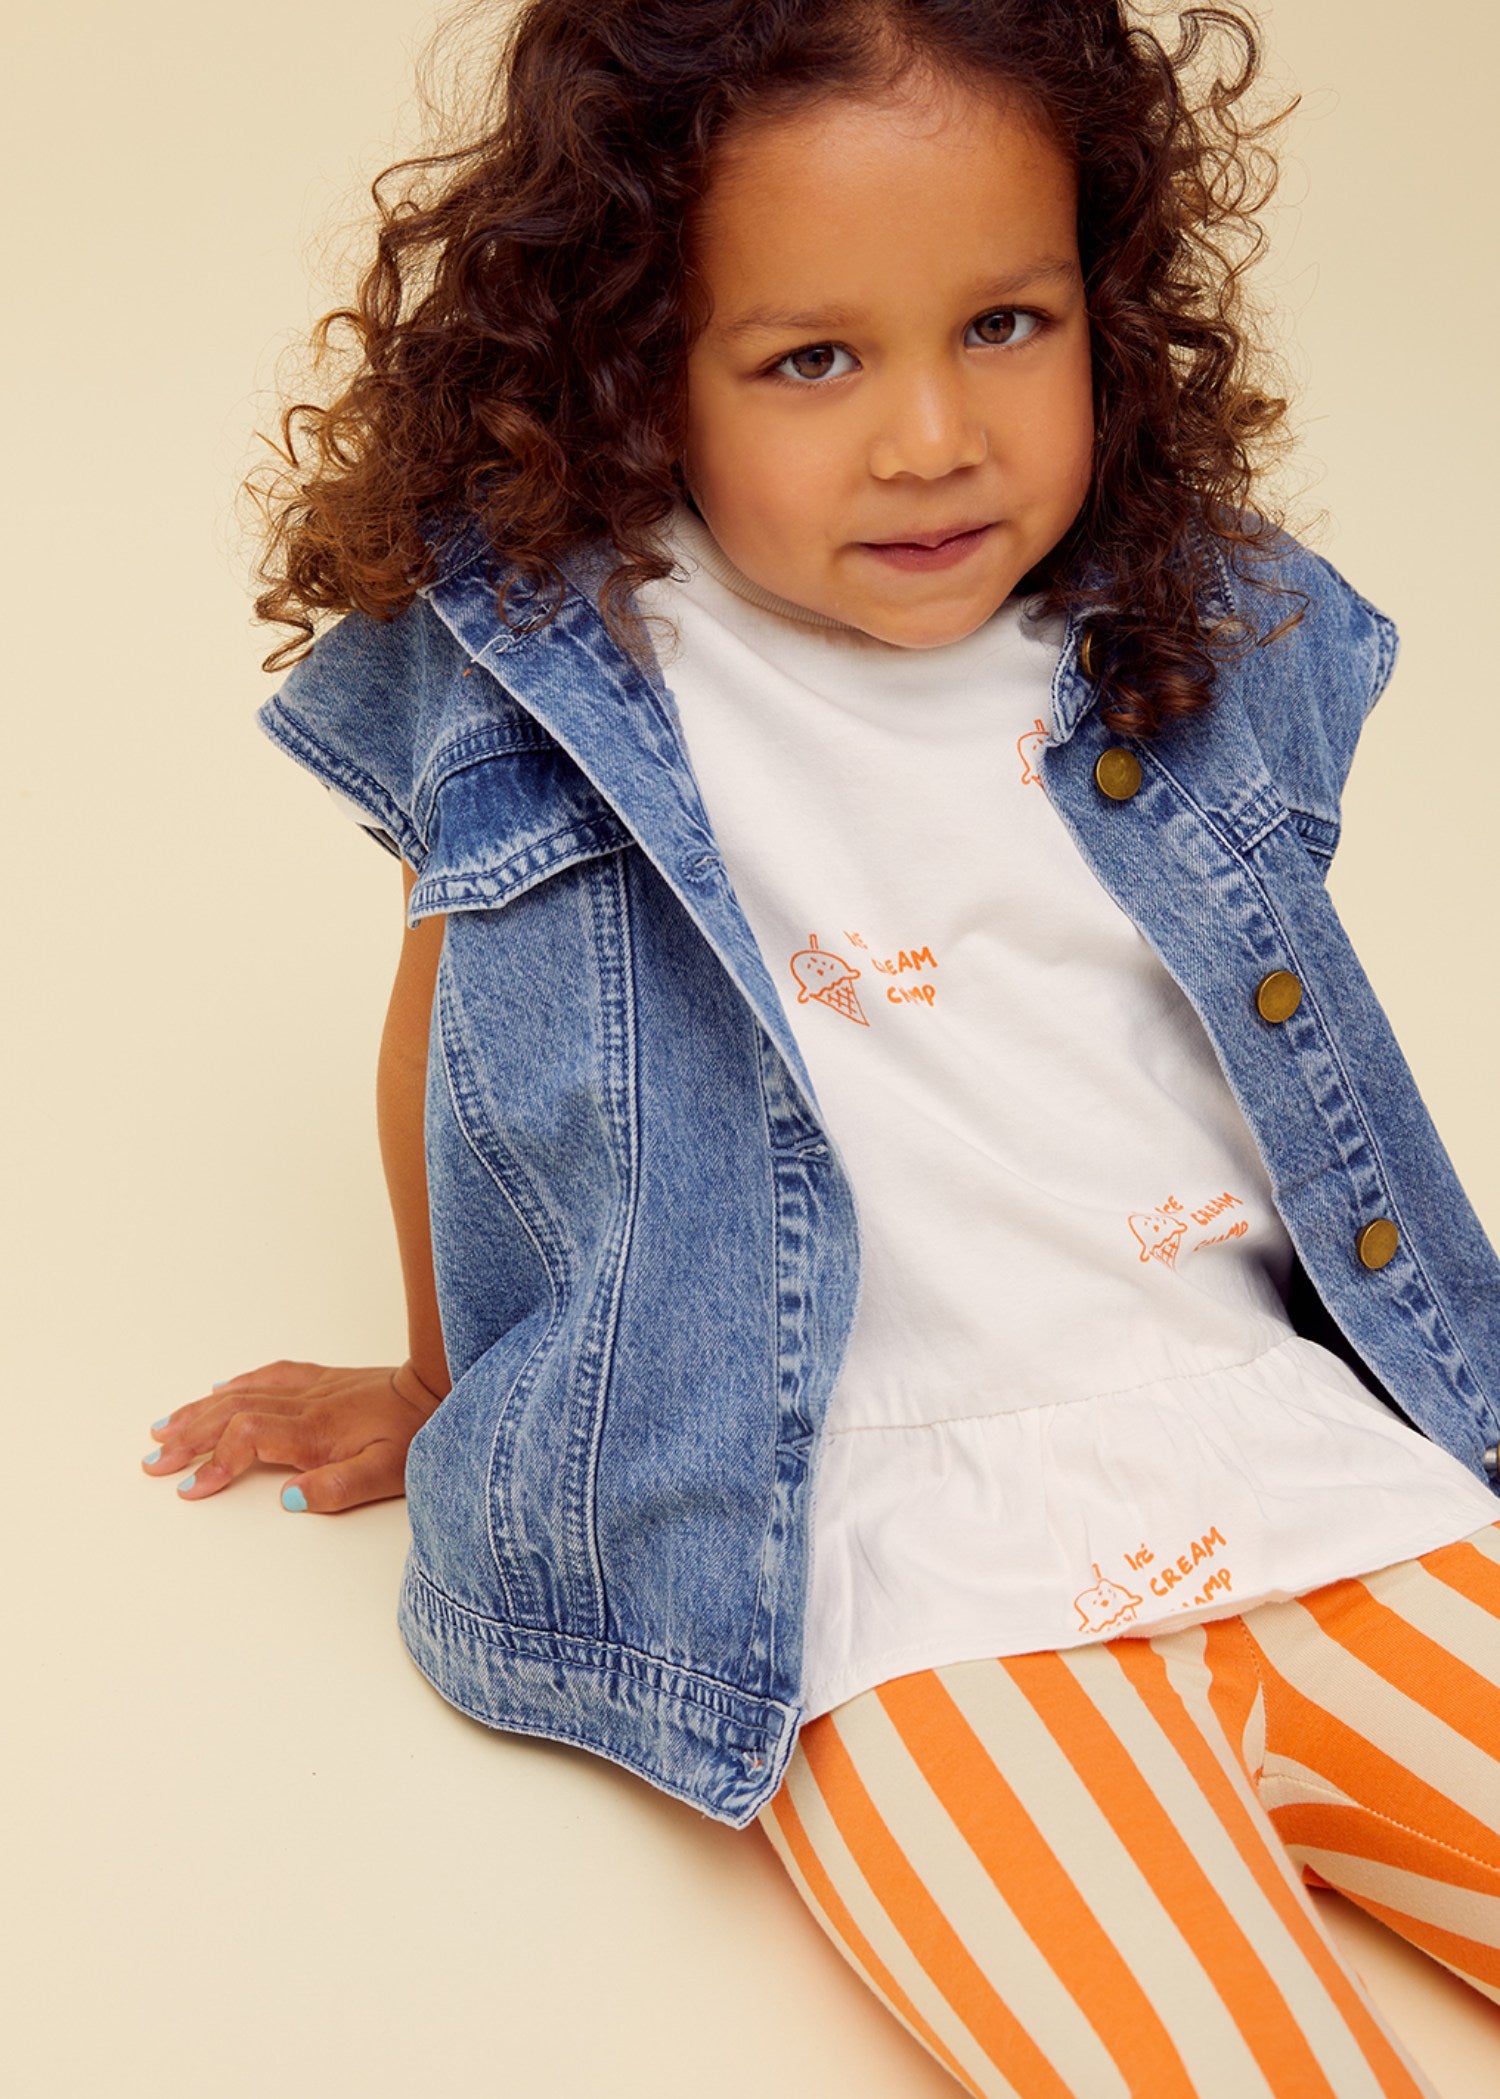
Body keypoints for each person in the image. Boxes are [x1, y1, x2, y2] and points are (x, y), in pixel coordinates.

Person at [144, 2, 1500, 2090]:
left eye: (1007, 325)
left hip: (1309, 1468)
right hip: (884, 1576)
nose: (933, 437)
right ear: (634, 369)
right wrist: (441, 1382)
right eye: (812, 360)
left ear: (1105, 306)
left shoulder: (1185, 630)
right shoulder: (566, 677)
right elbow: (465, 1040)